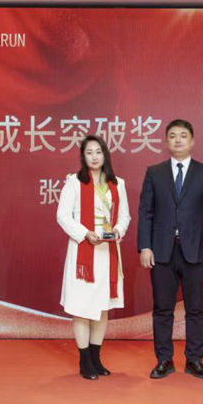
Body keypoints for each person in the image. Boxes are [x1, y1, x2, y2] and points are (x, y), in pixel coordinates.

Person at [138, 119, 203, 379]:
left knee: (196, 308)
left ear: (192, 141)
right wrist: (145, 246)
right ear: (166, 141)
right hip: (161, 251)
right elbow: (146, 212)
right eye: (173, 135)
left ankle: (194, 360)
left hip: (196, 251)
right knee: (163, 309)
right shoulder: (154, 172)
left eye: (183, 135)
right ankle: (164, 360)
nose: (178, 140)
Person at [57, 135, 131, 380]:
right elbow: (63, 216)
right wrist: (85, 234)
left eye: (98, 151)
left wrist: (117, 230)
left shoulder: (118, 183)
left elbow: (125, 217)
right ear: (83, 157)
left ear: (105, 154)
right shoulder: (74, 182)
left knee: (102, 308)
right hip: (83, 254)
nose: (94, 157)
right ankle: (84, 360)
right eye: (89, 153)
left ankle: (96, 358)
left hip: (107, 252)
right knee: (82, 308)